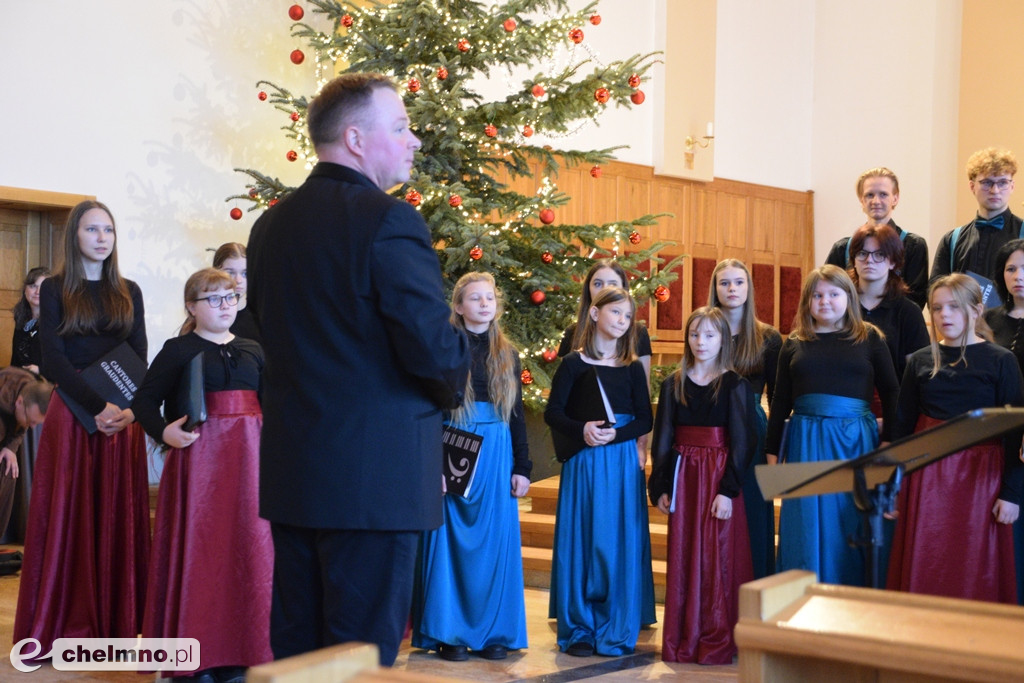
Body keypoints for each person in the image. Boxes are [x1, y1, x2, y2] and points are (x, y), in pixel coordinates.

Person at [246, 72, 470, 667]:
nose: (413, 140)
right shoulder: (389, 220)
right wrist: (458, 365)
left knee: (298, 655)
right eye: (400, 127)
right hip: (374, 483)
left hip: (296, 475)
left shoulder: (269, 226)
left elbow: (265, 334)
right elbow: (434, 352)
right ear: (354, 139)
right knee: (358, 659)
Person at [15, 200, 150, 654]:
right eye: (92, 229)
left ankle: (115, 625)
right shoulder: (55, 288)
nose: (101, 238)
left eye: (107, 230)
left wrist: (128, 410)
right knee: (68, 519)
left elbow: (139, 355)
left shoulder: (129, 290)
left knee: (114, 518)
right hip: (75, 416)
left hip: (119, 421)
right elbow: (54, 360)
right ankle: (65, 624)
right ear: (75, 235)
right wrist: (96, 406)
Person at [133, 268, 270, 682]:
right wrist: (164, 433)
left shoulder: (254, 349)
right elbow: (144, 403)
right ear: (191, 307)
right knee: (202, 554)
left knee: (249, 553)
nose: (225, 305)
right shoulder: (178, 350)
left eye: (230, 297)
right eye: (213, 299)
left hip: (250, 467)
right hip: (200, 468)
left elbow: (272, 405)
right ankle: (195, 656)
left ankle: (244, 652)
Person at [412, 272, 531, 662]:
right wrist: (431, 464)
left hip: (496, 450)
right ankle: (450, 633)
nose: (484, 304)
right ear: (458, 306)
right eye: (475, 298)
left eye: (489, 298)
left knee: (494, 544)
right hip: (453, 442)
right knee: (451, 543)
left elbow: (515, 414)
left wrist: (523, 466)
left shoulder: (508, 354)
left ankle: (495, 633)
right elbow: (428, 410)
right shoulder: (443, 349)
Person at [889, 274, 1023, 603]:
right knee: (928, 557)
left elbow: (1015, 435)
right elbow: (902, 429)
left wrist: (1011, 494)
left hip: (981, 479)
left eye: (954, 307)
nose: (944, 315)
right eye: (937, 308)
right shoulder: (920, 361)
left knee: (974, 563)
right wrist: (892, 487)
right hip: (927, 477)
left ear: (976, 310)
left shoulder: (1001, 361)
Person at [766, 265, 899, 587]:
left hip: (856, 443)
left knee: (851, 519)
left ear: (848, 297)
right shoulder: (794, 342)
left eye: (833, 294)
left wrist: (889, 443)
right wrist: (772, 453)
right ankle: (805, 592)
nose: (825, 301)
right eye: (817, 295)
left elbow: (893, 393)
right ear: (807, 302)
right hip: (806, 441)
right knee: (805, 522)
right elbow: (780, 400)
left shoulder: (870, 337)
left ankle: (852, 595)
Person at [545, 286, 654, 658]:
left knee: (615, 541)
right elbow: (553, 413)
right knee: (582, 540)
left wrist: (615, 435)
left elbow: (645, 419)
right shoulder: (572, 364)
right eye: (615, 313)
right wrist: (583, 430)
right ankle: (579, 629)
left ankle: (614, 626)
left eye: (627, 316)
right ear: (594, 314)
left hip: (620, 461)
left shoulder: (632, 368)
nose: (622, 321)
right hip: (584, 461)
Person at [649, 306, 755, 664]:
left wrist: (727, 490)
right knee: (684, 554)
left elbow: (743, 442)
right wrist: (661, 485)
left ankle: (714, 635)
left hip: (717, 476)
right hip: (684, 477)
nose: (701, 342)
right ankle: (684, 636)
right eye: (694, 334)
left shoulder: (735, 384)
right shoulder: (673, 383)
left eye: (709, 335)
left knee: (716, 554)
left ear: (723, 339)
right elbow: (664, 438)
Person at [707, 258, 782, 579]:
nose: (732, 289)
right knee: (713, 507)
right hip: (711, 429)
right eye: (724, 283)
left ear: (749, 288)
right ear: (715, 289)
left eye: (739, 282)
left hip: (752, 429)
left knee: (750, 508)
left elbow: (778, 398)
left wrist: (775, 448)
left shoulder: (768, 337)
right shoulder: (705, 330)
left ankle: (753, 583)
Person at [557, 259, 652, 465]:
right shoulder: (573, 333)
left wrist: (641, 445)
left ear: (623, 289)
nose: (604, 289)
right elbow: (563, 402)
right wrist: (579, 430)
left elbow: (643, 399)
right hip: (583, 440)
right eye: (598, 283)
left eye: (612, 284)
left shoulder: (637, 333)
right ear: (588, 289)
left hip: (623, 441)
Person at [983, 238, 1024, 605]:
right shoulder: (989, 319)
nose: (1018, 276)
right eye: (1011, 268)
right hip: (995, 438)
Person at [826, 167, 929, 307]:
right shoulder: (842, 249)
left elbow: (916, 299)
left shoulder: (914, 246)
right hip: (853, 320)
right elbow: (828, 292)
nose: (876, 201)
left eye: (883, 194)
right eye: (869, 195)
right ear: (861, 200)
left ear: (895, 198)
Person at [848, 224, 929, 383]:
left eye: (879, 254)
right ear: (854, 261)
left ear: (893, 262)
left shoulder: (909, 312)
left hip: (895, 395)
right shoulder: (841, 306)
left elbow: (919, 373)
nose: (869, 260)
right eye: (862, 253)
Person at [931, 148, 1020, 287]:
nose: (995, 190)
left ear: (1012, 186)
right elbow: (936, 292)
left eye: (1002, 182)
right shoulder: (951, 240)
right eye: (987, 182)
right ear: (972, 186)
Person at [0, 367, 52, 537]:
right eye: (31, 421)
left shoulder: (29, 387)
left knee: (8, 468)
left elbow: (22, 425)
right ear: (19, 402)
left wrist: (10, 448)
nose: (33, 427)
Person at [212, 242, 260, 344]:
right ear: (215, 273)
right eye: (230, 273)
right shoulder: (204, 318)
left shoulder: (261, 319)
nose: (238, 280)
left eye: (245, 273)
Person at [11, 267, 52, 375]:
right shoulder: (21, 319)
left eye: (43, 287)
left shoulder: (58, 322)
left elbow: (67, 364)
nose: (38, 292)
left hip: (46, 381)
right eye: (33, 286)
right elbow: (15, 360)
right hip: (23, 380)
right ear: (25, 290)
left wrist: (40, 370)